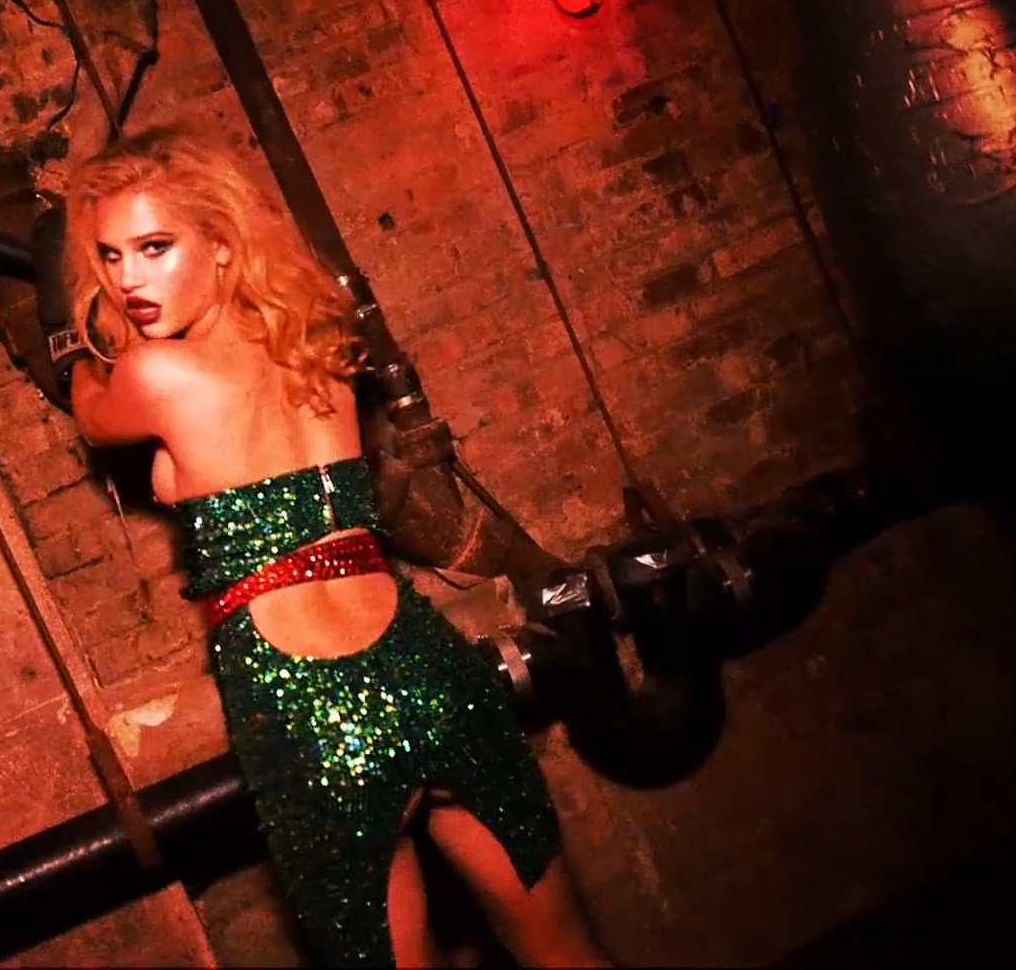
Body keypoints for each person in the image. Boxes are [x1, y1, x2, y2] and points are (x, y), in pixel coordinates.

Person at [39, 126, 609, 968]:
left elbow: (91, 411)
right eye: (111, 256)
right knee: (567, 955)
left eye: (155, 248)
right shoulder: (317, 344)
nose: (127, 281)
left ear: (222, 243)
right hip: (428, 669)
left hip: (310, 710)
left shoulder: (157, 376)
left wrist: (77, 344)